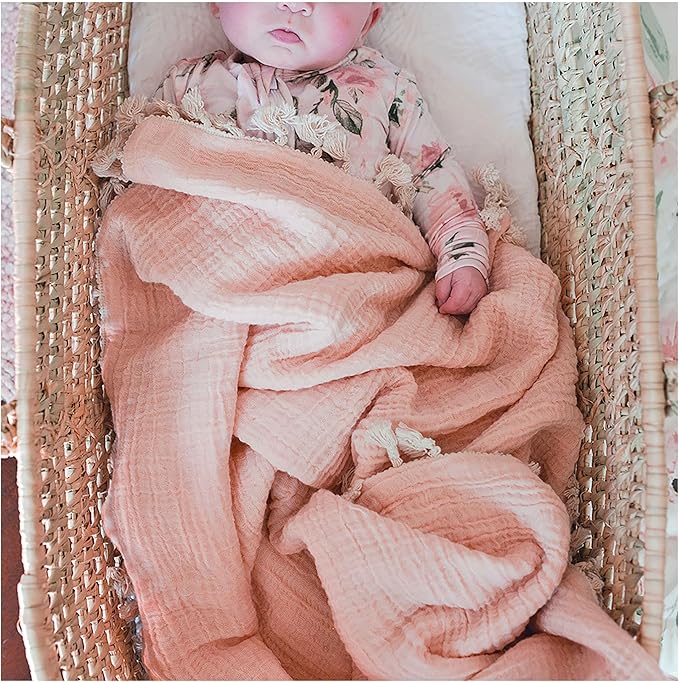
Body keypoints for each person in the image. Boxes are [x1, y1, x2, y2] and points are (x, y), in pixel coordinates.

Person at [155, 2, 491, 315]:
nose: (295, 4)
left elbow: (431, 172)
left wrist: (463, 254)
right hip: (218, 283)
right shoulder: (189, 84)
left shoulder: (385, 88)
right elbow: (145, 179)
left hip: (347, 287)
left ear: (368, 21)